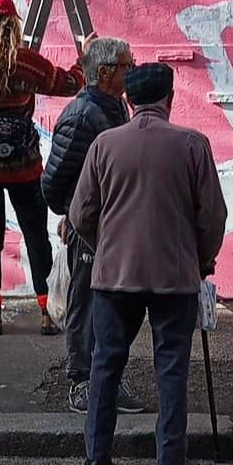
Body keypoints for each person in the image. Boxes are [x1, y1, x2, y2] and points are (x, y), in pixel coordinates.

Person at [69, 61, 228, 465]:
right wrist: (202, 258)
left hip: (113, 275)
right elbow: (212, 216)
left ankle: (96, 458)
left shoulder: (104, 145)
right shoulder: (193, 144)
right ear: (170, 100)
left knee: (106, 364)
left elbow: (80, 213)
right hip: (174, 275)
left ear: (128, 101)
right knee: (171, 367)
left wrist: (102, 247)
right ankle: (169, 463)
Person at [0, 0, 90, 336]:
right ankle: (46, 310)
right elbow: (67, 83)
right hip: (24, 165)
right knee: (34, 234)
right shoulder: (26, 62)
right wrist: (83, 60)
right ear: (13, 25)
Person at [40, 35, 146, 416]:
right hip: (88, 228)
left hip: (110, 225)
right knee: (84, 304)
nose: (131, 71)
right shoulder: (83, 115)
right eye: (126, 66)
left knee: (113, 303)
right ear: (105, 73)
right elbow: (54, 179)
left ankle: (109, 378)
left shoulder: (113, 108)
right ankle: (81, 381)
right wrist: (70, 214)